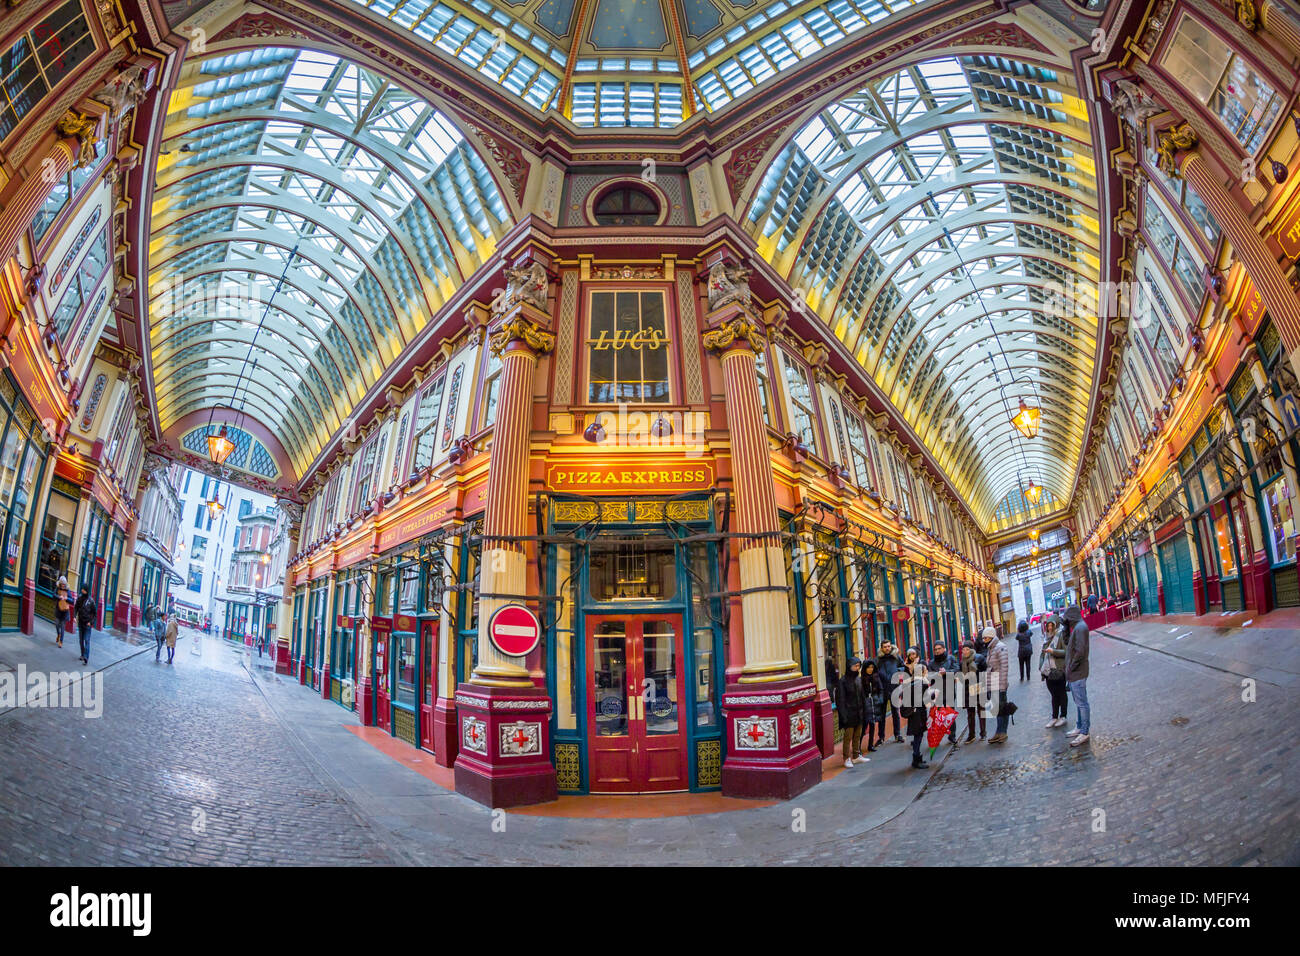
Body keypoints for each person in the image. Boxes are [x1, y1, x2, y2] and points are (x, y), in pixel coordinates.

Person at [1062, 605, 1091, 746]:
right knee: (1079, 703)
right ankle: (1080, 727)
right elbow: (1067, 643)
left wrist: (1071, 667)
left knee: (1082, 703)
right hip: (1075, 673)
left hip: (1078, 672)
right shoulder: (1078, 628)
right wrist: (1065, 629)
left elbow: (1080, 651)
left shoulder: (1080, 628)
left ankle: (1084, 731)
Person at [927, 641, 960, 748]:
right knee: (938, 717)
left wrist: (946, 672)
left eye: (939, 649)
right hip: (937, 693)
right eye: (935, 649)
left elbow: (956, 669)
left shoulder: (950, 659)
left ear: (944, 649)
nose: (937, 651)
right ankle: (938, 736)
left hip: (949, 691)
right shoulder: (931, 663)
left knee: (950, 715)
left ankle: (952, 735)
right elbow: (929, 676)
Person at [1039, 614, 1069, 727]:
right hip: (1048, 671)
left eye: (1052, 625)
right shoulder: (1046, 637)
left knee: (1061, 693)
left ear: (1056, 625)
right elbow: (1042, 654)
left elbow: (1066, 652)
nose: (1050, 628)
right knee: (1053, 695)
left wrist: (1053, 651)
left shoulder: (1061, 636)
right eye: (1048, 626)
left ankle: (1063, 716)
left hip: (1059, 670)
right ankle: (1054, 717)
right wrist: (1040, 665)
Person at [837, 657, 866, 768]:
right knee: (848, 737)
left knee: (857, 735)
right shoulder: (842, 681)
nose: (857, 668)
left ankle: (856, 755)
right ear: (850, 667)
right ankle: (846, 758)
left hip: (859, 712)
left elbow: (862, 696)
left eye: (858, 666)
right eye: (855, 666)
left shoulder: (858, 679)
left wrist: (864, 711)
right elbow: (840, 700)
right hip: (849, 714)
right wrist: (843, 716)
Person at [900, 665, 930, 769]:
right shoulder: (921, 683)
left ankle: (917, 758)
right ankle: (916, 759)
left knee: (918, 735)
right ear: (922, 672)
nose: (927, 672)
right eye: (926, 670)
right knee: (918, 736)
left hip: (914, 713)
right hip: (918, 713)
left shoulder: (912, 683)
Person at [875, 640, 905, 742]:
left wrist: (898, 671)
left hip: (894, 688)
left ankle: (897, 734)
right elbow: (875, 672)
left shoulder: (896, 657)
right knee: (881, 714)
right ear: (882, 648)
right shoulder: (878, 660)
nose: (887, 648)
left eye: (888, 646)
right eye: (885, 647)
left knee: (895, 713)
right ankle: (881, 737)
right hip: (882, 689)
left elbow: (903, 667)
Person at [984, 625, 1009, 743]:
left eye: (985, 638)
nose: (984, 640)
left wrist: (1003, 686)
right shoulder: (991, 648)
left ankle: (1002, 732)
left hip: (999, 683)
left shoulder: (1000, 647)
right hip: (993, 683)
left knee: (1002, 709)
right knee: (997, 709)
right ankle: (999, 732)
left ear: (991, 637)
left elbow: (1004, 668)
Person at [960, 641, 986, 741]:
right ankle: (971, 735)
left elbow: (983, 670)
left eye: (967, 649)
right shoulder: (962, 661)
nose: (965, 651)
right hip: (967, 688)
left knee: (981, 710)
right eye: (963, 649)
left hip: (978, 685)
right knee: (970, 713)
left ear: (971, 649)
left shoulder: (978, 657)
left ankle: (983, 733)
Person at [860, 659, 884, 754]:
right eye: (868, 667)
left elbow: (881, 689)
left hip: (875, 703)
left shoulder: (876, 677)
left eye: (872, 667)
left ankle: (870, 745)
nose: (870, 669)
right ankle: (858, 747)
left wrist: (880, 699)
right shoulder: (861, 679)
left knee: (873, 724)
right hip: (866, 704)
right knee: (864, 725)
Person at [73, 586, 96, 665]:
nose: (82, 590)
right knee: (81, 640)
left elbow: (94, 614)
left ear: (86, 590)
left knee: (86, 640)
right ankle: (82, 654)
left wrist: (91, 622)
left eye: (83, 590)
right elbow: (76, 607)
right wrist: (74, 616)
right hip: (81, 622)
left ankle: (86, 657)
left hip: (87, 624)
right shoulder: (79, 598)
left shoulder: (91, 601)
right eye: (82, 589)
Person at [54, 575, 70, 648]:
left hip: (65, 611)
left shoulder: (67, 590)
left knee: (63, 626)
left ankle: (61, 641)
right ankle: (58, 634)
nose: (63, 585)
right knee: (57, 624)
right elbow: (53, 595)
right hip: (58, 610)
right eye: (62, 584)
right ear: (60, 583)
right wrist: (59, 597)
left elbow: (72, 601)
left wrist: (67, 598)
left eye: (64, 584)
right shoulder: (57, 588)